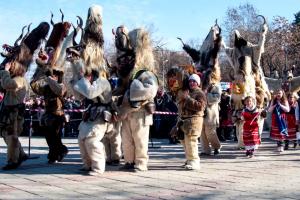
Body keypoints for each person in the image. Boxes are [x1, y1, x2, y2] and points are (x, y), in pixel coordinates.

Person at [30, 68, 68, 164]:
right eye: (51, 75)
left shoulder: (61, 86)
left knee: (55, 137)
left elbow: (59, 91)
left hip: (58, 115)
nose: (52, 77)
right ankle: (60, 152)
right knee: (49, 137)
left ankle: (55, 155)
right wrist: (39, 72)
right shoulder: (46, 87)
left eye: (54, 75)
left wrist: (50, 79)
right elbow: (35, 87)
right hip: (48, 115)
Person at [0, 62, 28, 170]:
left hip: (14, 113)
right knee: (6, 135)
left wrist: (5, 71)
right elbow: (3, 86)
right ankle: (21, 154)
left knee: (11, 137)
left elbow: (8, 85)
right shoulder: (14, 79)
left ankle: (13, 161)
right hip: (9, 112)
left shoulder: (19, 79)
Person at [177, 74, 206, 170]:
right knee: (185, 142)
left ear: (198, 83)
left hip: (194, 121)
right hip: (184, 121)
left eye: (194, 81)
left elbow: (200, 106)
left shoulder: (200, 93)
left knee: (191, 142)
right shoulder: (187, 92)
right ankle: (189, 160)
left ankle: (194, 161)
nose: (191, 83)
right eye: (190, 81)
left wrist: (188, 99)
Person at [200, 76, 222, 156]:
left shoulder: (215, 86)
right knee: (202, 132)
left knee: (210, 132)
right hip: (200, 111)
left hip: (210, 113)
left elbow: (217, 98)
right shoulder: (198, 84)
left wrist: (206, 94)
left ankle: (216, 146)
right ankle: (205, 150)